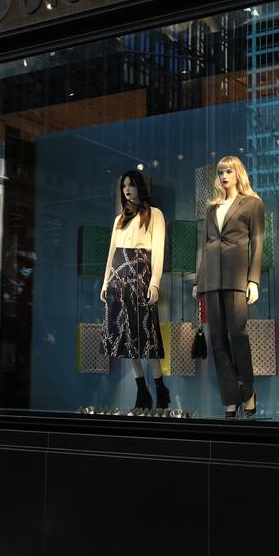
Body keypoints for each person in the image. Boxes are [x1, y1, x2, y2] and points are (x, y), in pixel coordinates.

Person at [193, 156, 264, 418]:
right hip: (211, 277)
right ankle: (230, 397)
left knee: (238, 334)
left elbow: (258, 243)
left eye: (228, 171)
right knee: (217, 339)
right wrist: (199, 280)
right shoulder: (212, 208)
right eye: (220, 172)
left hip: (236, 276)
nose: (224, 176)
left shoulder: (253, 204)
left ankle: (248, 391)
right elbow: (206, 246)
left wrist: (253, 279)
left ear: (238, 174)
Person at [99, 169, 169, 412]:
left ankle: (160, 386)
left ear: (140, 187)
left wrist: (155, 281)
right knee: (124, 336)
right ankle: (141, 389)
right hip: (118, 275)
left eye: (131, 185)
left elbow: (158, 250)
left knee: (145, 334)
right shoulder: (119, 220)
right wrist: (105, 282)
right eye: (123, 186)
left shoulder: (154, 214)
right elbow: (111, 253)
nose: (127, 189)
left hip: (140, 272)